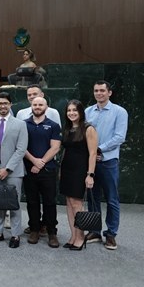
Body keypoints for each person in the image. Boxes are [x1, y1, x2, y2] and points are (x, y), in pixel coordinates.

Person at [84, 80, 128, 250]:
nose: (99, 93)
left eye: (102, 90)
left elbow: (119, 137)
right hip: (91, 162)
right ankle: (94, 230)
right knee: (93, 198)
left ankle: (110, 234)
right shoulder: (88, 111)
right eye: (96, 90)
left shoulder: (119, 112)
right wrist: (90, 154)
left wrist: (98, 149)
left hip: (109, 162)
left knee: (112, 199)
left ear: (109, 93)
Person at [0, 92, 28, 249]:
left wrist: (7, 169)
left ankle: (15, 235)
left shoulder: (20, 124)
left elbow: (21, 150)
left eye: (5, 103)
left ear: (10, 105)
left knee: (13, 204)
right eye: (0, 103)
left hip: (13, 171)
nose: (2, 106)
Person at [15, 84, 61, 236]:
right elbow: (21, 145)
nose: (37, 106)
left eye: (40, 104)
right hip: (29, 168)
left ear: (46, 106)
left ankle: (51, 231)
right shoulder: (23, 124)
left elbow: (55, 147)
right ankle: (34, 229)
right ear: (31, 105)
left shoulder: (53, 124)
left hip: (48, 168)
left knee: (49, 202)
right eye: (35, 104)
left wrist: (41, 162)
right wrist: (34, 161)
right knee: (32, 202)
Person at [59, 100, 97, 250]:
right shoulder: (68, 129)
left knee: (77, 204)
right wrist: (61, 171)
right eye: (69, 110)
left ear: (81, 112)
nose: (71, 113)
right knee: (69, 203)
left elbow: (93, 153)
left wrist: (90, 174)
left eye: (75, 110)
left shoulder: (88, 129)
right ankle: (73, 235)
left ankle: (81, 237)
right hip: (67, 169)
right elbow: (66, 151)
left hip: (80, 170)